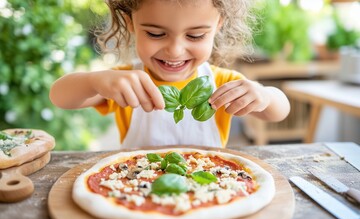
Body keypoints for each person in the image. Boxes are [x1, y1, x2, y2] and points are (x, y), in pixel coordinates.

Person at [49, 0, 290, 149]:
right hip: (134, 193)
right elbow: (59, 97)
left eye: (195, 36)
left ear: (218, 25)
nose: (174, 51)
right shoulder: (123, 83)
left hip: (210, 190)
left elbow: (279, 112)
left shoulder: (221, 82)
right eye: (155, 33)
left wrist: (265, 96)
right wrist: (94, 81)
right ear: (130, 22)